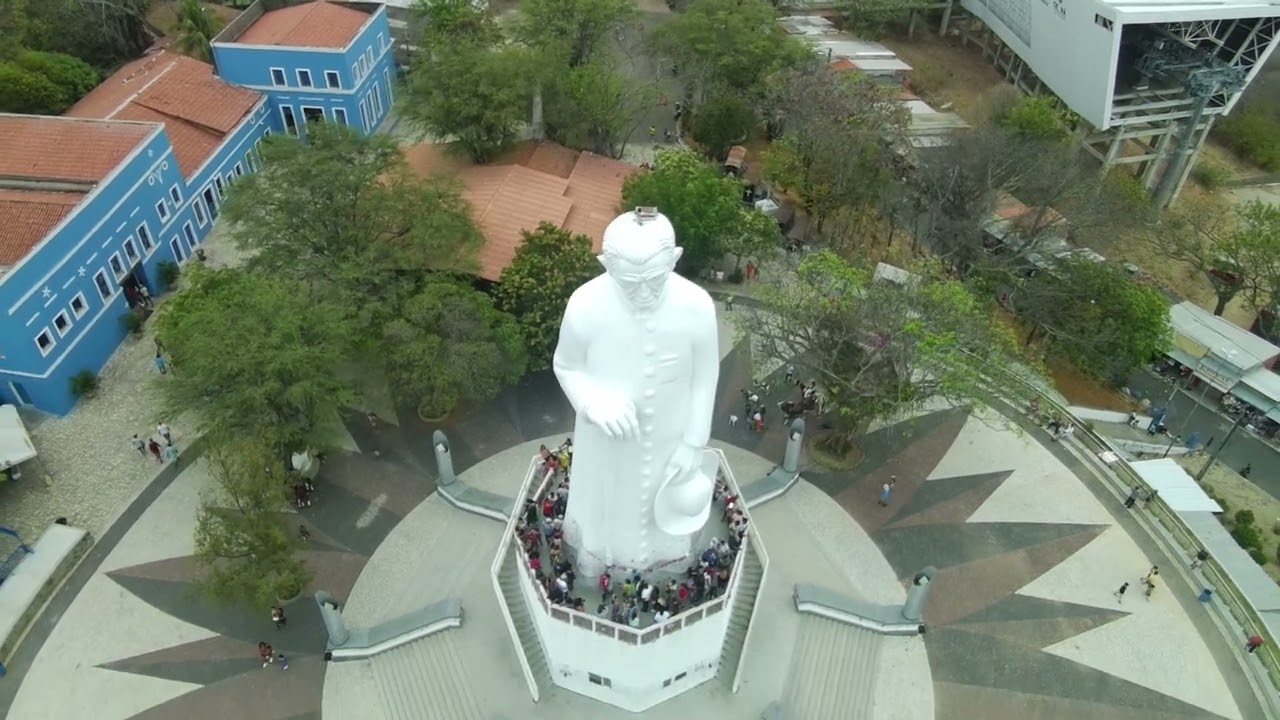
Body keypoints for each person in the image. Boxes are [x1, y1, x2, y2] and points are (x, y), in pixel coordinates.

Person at [553, 208, 719, 577]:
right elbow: (566, 365)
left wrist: (694, 443)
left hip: (670, 442)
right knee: (606, 517)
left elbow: (705, 377)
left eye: (654, 280)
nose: (643, 292)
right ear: (606, 266)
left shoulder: (696, 306)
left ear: (674, 259)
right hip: (607, 445)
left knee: (663, 519)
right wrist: (592, 402)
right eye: (630, 283)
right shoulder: (584, 304)